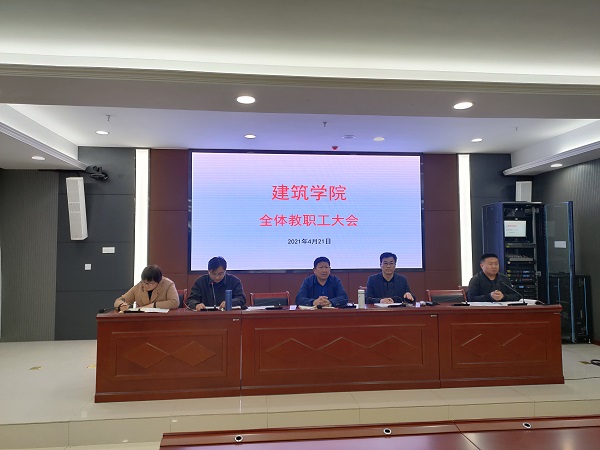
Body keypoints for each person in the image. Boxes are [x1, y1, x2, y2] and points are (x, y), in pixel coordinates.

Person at [114, 265, 179, 311]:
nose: (145, 285)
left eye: (149, 283)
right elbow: (119, 300)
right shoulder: (139, 286)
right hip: (142, 320)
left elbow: (175, 302)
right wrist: (121, 305)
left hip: (162, 319)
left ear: (158, 281)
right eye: (144, 282)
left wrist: (152, 306)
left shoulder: (168, 284)